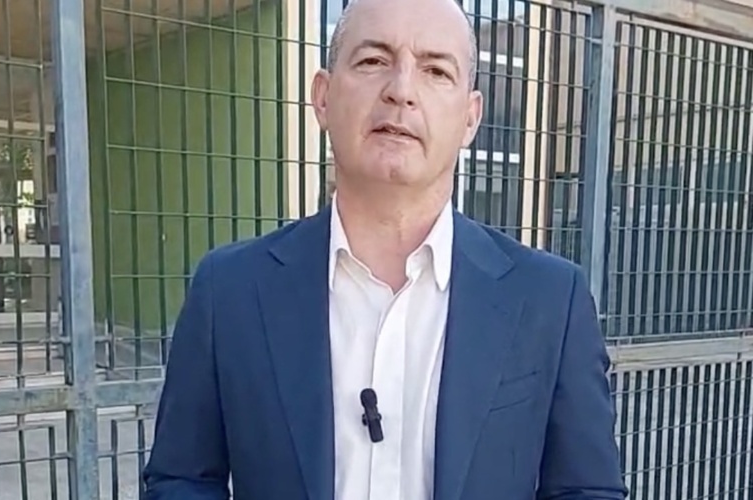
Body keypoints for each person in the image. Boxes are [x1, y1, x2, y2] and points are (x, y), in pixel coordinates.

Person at [142, 0, 628, 498]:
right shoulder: (229, 291)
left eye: (436, 71)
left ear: (470, 117)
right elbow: (180, 479)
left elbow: (587, 490)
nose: (401, 91)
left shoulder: (550, 300)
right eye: (373, 60)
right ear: (323, 97)